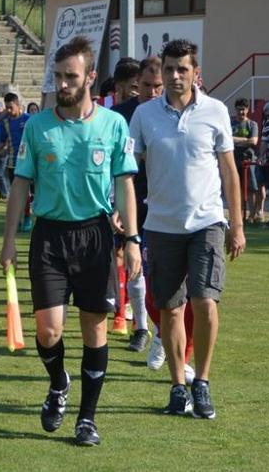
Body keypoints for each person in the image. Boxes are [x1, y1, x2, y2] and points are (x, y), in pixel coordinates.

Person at [0, 36, 141, 447]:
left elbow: (126, 184)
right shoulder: (38, 125)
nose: (62, 84)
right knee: (48, 331)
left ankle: (87, 419)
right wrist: (9, 240)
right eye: (58, 76)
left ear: (90, 78)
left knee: (94, 330)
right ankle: (58, 382)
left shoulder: (113, 125)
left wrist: (131, 239)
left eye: (70, 76)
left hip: (95, 235)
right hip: (49, 236)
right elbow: (20, 184)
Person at [130, 39, 245, 420]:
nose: (176, 75)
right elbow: (126, 170)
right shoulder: (145, 116)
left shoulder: (215, 111)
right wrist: (122, 210)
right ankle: (178, 386)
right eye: (169, 69)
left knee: (205, 302)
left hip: (208, 222)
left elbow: (229, 172)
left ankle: (203, 382)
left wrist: (237, 225)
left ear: (196, 72)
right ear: (161, 73)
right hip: (161, 226)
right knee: (170, 309)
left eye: (183, 68)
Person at [110, 56, 164, 353]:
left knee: (159, 267)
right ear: (135, 84)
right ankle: (140, 327)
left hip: (163, 199)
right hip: (129, 196)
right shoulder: (119, 115)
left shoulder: (171, 113)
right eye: (146, 85)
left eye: (158, 86)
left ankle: (160, 328)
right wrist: (114, 201)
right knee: (132, 261)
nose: (153, 92)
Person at [0, 92, 31, 231]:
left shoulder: (29, 120)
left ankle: (27, 218)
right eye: (6, 107)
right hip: (12, 161)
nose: (8, 110)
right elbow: (2, 141)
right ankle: (19, 219)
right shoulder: (5, 122)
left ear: (18, 105)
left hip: (28, 162)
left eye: (10, 107)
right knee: (16, 193)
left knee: (26, 192)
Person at [231, 98, 260, 223]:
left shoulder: (252, 124)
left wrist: (235, 140)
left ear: (247, 110)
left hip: (248, 161)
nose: (241, 112)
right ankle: (237, 216)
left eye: (243, 110)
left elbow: (254, 141)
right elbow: (226, 138)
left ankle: (252, 216)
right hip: (233, 160)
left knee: (251, 188)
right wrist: (245, 140)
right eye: (239, 110)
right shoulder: (230, 123)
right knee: (235, 188)